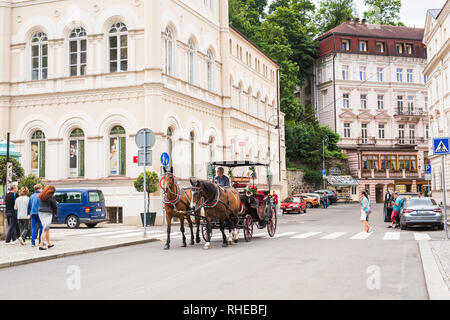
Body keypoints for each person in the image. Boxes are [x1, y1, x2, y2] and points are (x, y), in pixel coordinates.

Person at [38, 185, 58, 250]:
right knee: (45, 229)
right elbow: (54, 206)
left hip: (40, 212)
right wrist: (55, 213)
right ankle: (41, 245)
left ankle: (49, 243)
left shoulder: (42, 195)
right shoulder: (51, 197)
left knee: (47, 228)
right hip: (48, 213)